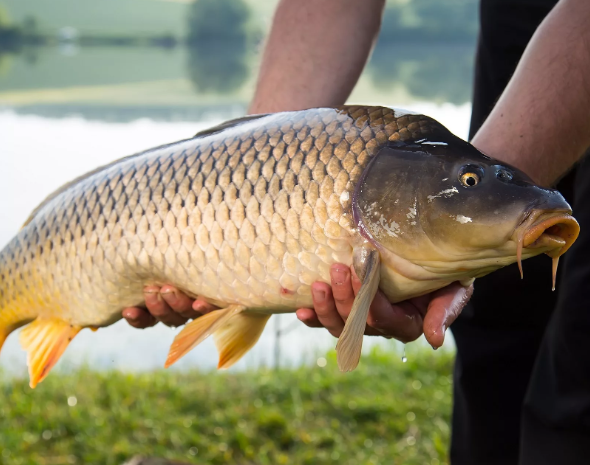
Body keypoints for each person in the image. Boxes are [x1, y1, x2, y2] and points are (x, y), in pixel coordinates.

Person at [122, 0, 590, 463]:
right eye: (468, 181)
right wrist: (249, 176)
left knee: (579, 370)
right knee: (495, 344)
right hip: (516, 28)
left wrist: (499, 191)